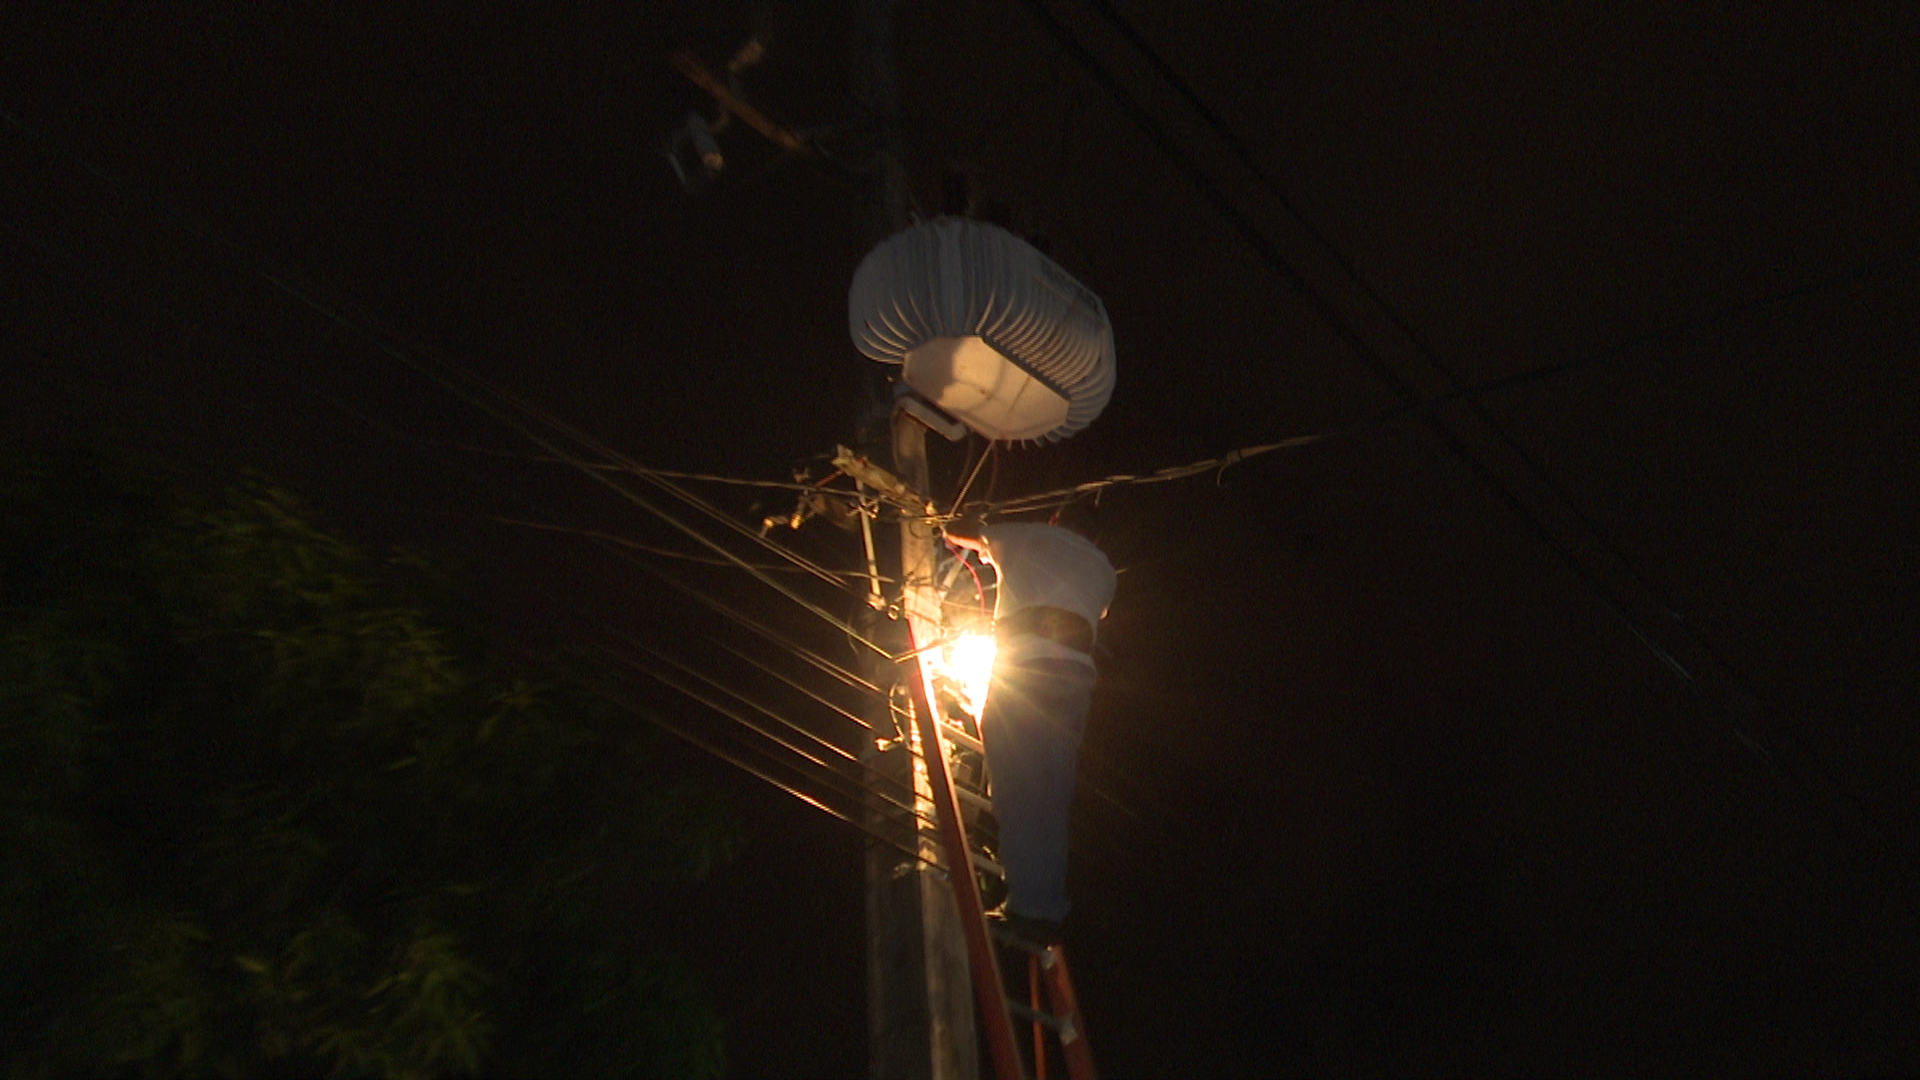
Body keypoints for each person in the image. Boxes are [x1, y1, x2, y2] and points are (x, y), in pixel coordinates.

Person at [943, 502, 1116, 945]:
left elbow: (957, 531)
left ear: (1056, 520)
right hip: (1075, 681)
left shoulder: (1025, 535)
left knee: (1017, 788)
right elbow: (1088, 607)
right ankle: (1048, 905)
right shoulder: (1104, 570)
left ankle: (1028, 907)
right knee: (1051, 795)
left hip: (1027, 668)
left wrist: (982, 533)